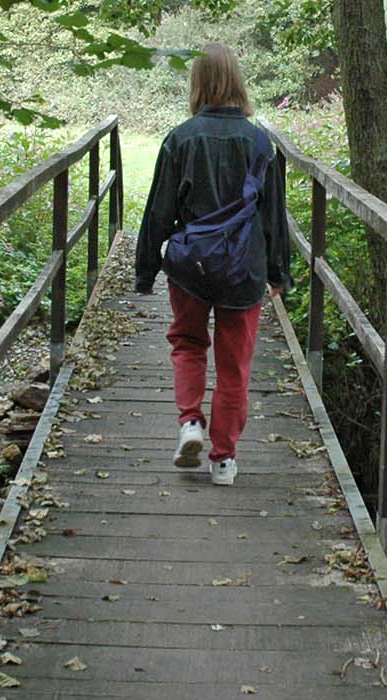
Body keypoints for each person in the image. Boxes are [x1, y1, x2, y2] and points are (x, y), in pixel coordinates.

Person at [134, 43, 291, 487]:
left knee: (187, 343)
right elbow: (273, 217)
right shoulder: (261, 143)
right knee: (234, 364)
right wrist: (279, 273)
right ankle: (223, 460)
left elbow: (158, 212)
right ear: (238, 81)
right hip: (244, 271)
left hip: (190, 268)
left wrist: (147, 269)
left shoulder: (180, 138)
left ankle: (189, 423)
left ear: (198, 82)